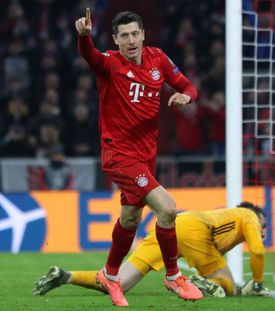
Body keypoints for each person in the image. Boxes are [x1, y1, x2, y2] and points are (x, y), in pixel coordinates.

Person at [74, 8, 202, 306]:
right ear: (115, 41)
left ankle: (109, 273)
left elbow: (188, 86)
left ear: (143, 34)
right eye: (124, 36)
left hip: (146, 155)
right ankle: (173, 277)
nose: (131, 40)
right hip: (118, 153)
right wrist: (83, 36)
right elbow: (89, 55)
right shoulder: (109, 64)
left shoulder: (158, 58)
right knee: (168, 210)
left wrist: (187, 96)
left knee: (131, 218)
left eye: (135, 34)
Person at [33, 202, 272, 298]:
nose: (262, 231)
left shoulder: (228, 221)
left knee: (118, 284)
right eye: (264, 226)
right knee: (231, 289)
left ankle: (65, 276)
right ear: (258, 216)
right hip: (194, 231)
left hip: (172, 227)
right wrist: (258, 282)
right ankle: (198, 281)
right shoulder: (249, 216)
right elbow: (259, 252)